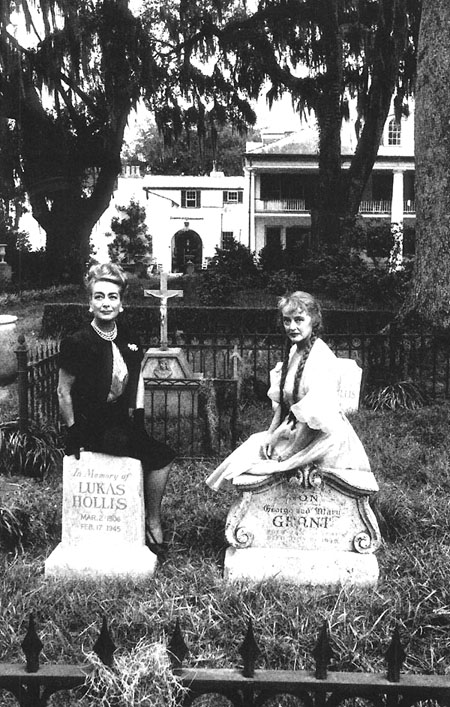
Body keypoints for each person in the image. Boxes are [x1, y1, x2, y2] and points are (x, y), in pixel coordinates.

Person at [57, 262, 175, 557]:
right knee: (140, 449)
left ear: (121, 304)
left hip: (121, 421)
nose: (105, 303)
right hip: (89, 424)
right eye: (99, 296)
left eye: (112, 297)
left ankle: (152, 518)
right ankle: (148, 525)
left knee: (162, 456)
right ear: (90, 303)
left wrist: (139, 418)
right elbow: (63, 391)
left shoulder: (129, 337)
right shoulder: (77, 342)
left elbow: (136, 381)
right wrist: (73, 431)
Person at [206, 291, 377, 493]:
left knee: (262, 465)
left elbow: (315, 420)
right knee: (255, 445)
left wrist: (288, 454)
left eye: (299, 319)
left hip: (319, 439)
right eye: (287, 321)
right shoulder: (295, 351)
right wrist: (271, 434)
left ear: (313, 320)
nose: (292, 327)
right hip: (296, 430)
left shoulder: (321, 359)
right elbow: (285, 404)